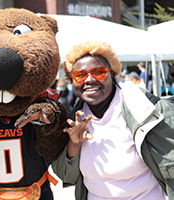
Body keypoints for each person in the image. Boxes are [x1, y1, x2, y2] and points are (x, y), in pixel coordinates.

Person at [53, 40, 169, 200]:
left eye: (98, 72)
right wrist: (75, 143)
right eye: (79, 75)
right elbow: (66, 176)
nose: (88, 80)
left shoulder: (144, 110)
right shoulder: (72, 119)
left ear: (112, 74)